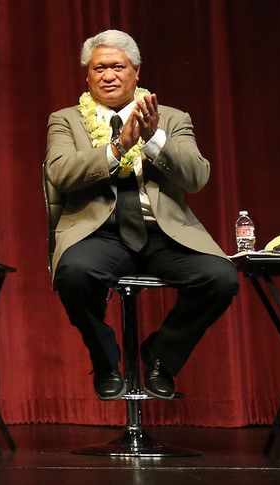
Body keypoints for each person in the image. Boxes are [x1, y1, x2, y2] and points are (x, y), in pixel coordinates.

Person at [44, 30, 237, 402]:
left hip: (164, 234)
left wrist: (154, 139)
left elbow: (196, 178)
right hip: (100, 233)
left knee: (220, 278)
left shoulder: (172, 118)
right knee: (74, 274)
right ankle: (105, 361)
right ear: (87, 76)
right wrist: (119, 147)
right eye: (99, 68)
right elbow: (60, 172)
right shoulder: (66, 120)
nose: (109, 75)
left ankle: (161, 357)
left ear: (136, 72)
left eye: (118, 67)